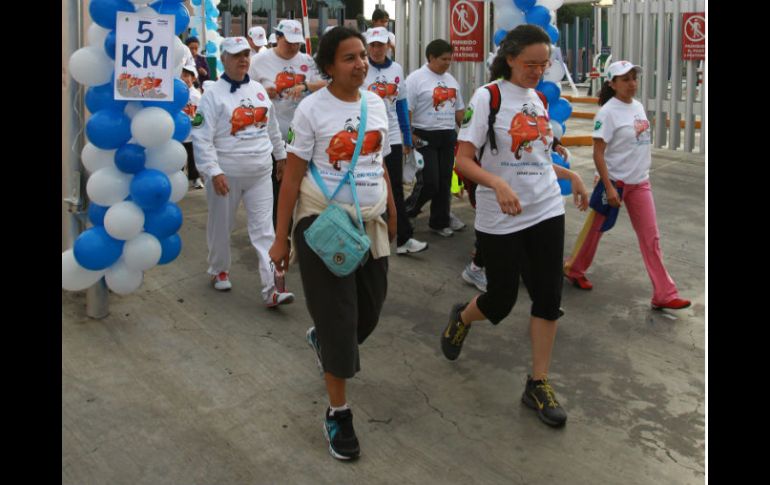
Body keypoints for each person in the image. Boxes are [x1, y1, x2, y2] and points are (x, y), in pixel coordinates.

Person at [441, 25, 589, 428]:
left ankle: (537, 383)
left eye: (544, 64)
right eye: (530, 64)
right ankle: (462, 318)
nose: (538, 71)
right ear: (509, 58)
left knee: (547, 296)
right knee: (501, 299)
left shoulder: (539, 100)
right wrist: (497, 182)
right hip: (500, 214)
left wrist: (569, 175)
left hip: (545, 209)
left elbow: (536, 158)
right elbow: (463, 160)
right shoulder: (487, 97)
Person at [268, 27, 397, 461]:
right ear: (327, 66)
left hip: (370, 222)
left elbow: (380, 164)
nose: (361, 63)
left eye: (363, 55)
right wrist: (281, 238)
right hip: (321, 225)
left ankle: (325, 339)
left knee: (370, 311)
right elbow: (290, 177)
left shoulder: (376, 103)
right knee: (341, 322)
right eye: (349, 58)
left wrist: (393, 211)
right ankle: (338, 412)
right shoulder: (310, 110)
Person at [563, 60, 691, 311]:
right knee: (595, 233)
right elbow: (598, 153)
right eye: (625, 79)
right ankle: (575, 269)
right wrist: (609, 187)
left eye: (634, 78)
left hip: (640, 183)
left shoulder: (638, 107)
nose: (632, 84)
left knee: (650, 237)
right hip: (615, 183)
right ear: (612, 84)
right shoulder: (608, 112)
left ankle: (664, 293)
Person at [191, 37, 295, 307]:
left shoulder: (259, 89)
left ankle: (273, 287)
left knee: (264, 231)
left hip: (260, 172)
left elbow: (271, 127)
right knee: (221, 226)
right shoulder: (213, 94)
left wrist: (281, 156)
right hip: (226, 174)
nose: (243, 60)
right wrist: (213, 171)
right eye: (236, 55)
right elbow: (202, 137)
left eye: (246, 55)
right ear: (223, 59)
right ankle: (218, 269)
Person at [249, 19, 328, 226]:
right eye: (289, 42)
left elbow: (328, 84)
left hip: (303, 134)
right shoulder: (259, 60)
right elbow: (245, 89)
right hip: (271, 136)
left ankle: (303, 230)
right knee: (277, 187)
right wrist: (263, 93)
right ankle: (278, 233)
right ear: (277, 38)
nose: (293, 47)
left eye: (297, 43)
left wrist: (305, 86)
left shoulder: (307, 60)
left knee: (305, 186)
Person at [364, 27, 427, 255]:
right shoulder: (361, 68)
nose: (376, 49)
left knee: (396, 188)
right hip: (367, 136)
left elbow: (401, 105)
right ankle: (364, 237)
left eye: (380, 45)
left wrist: (407, 136)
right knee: (367, 185)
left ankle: (403, 238)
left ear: (388, 46)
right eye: (372, 45)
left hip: (391, 136)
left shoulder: (397, 69)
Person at [404, 39, 466, 237]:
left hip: (447, 135)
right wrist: (409, 135)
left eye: (450, 59)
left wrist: (467, 134)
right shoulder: (416, 79)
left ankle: (439, 221)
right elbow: (407, 109)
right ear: (431, 57)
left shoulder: (451, 81)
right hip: (423, 136)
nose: (447, 63)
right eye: (443, 59)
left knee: (445, 181)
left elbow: (459, 110)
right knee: (430, 182)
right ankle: (406, 213)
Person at [180, 62, 204, 189]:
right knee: (178, 154)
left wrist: (198, 128)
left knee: (192, 156)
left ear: (193, 78)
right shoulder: (177, 93)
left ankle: (195, 178)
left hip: (192, 130)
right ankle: (177, 177)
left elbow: (199, 113)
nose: (183, 78)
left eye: (186, 75)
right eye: (181, 75)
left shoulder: (196, 95)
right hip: (180, 131)